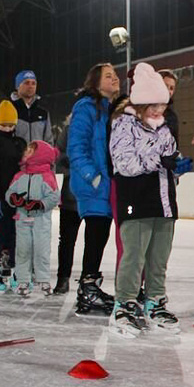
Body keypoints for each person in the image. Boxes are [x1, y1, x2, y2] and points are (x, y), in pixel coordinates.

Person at [109, 62, 193, 337]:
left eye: (162, 105)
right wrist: (160, 160)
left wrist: (177, 164)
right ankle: (124, 303)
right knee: (134, 256)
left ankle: (155, 301)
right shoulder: (124, 125)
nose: (159, 111)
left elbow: (169, 155)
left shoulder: (164, 128)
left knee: (159, 258)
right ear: (142, 103)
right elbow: (124, 164)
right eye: (154, 105)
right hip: (137, 200)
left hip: (164, 201)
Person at [67, 63, 120, 316]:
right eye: (108, 76)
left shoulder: (112, 110)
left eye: (116, 75)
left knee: (100, 237)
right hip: (94, 185)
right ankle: (87, 290)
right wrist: (94, 177)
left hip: (107, 185)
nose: (115, 79)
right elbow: (76, 147)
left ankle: (90, 287)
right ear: (96, 82)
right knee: (96, 236)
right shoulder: (86, 107)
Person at [5, 140, 60, 296]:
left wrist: (40, 204)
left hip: (40, 221)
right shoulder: (19, 175)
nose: (25, 153)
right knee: (23, 249)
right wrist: (14, 198)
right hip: (22, 220)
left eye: (30, 151)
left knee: (41, 250)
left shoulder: (47, 177)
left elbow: (54, 197)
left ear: (40, 156)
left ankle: (43, 279)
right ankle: (23, 280)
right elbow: (9, 193)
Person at [0, 101, 27, 292]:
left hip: (18, 197)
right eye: (4, 125)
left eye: (11, 125)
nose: (7, 129)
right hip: (0, 197)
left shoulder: (20, 143)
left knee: (16, 235)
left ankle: (15, 270)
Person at [54, 115, 79, 294]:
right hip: (71, 195)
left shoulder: (103, 126)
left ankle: (89, 280)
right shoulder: (70, 130)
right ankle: (63, 278)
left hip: (97, 195)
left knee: (95, 241)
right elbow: (58, 155)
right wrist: (72, 165)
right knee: (67, 239)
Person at [0, 69, 53, 145]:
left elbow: (48, 141)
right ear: (17, 86)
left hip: (38, 157)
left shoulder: (43, 112)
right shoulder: (7, 108)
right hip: (14, 156)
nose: (30, 86)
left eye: (33, 83)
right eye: (26, 83)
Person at [158, 70, 180, 144]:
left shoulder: (172, 116)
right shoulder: (140, 110)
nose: (168, 91)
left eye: (171, 88)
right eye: (165, 86)